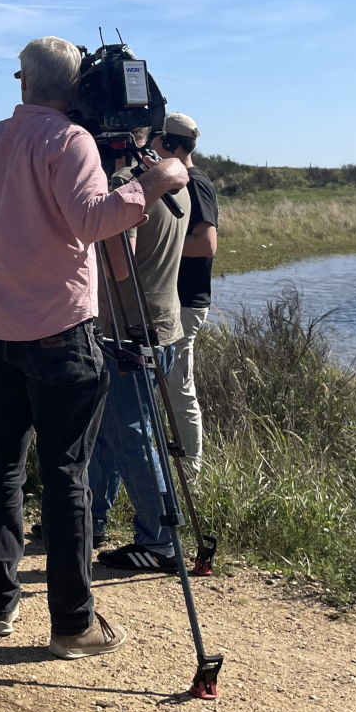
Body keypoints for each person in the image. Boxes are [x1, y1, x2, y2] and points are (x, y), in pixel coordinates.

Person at [0, 35, 187, 659]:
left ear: (22, 81)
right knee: (66, 473)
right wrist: (159, 179)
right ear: (78, 88)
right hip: (59, 333)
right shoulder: (71, 142)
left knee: (2, 465)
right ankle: (71, 623)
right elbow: (93, 222)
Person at [90, 136, 189, 573]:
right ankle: (89, 519)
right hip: (163, 325)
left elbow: (118, 262)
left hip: (129, 332)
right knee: (113, 432)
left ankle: (159, 539)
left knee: (132, 437)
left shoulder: (126, 185)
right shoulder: (170, 177)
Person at [153, 113, 217, 478]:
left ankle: (190, 472)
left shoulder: (194, 182)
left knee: (178, 387)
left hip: (186, 302)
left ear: (173, 144)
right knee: (172, 384)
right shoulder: (181, 180)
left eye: (159, 140)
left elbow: (207, 244)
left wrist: (163, 246)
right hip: (176, 301)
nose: (153, 146)